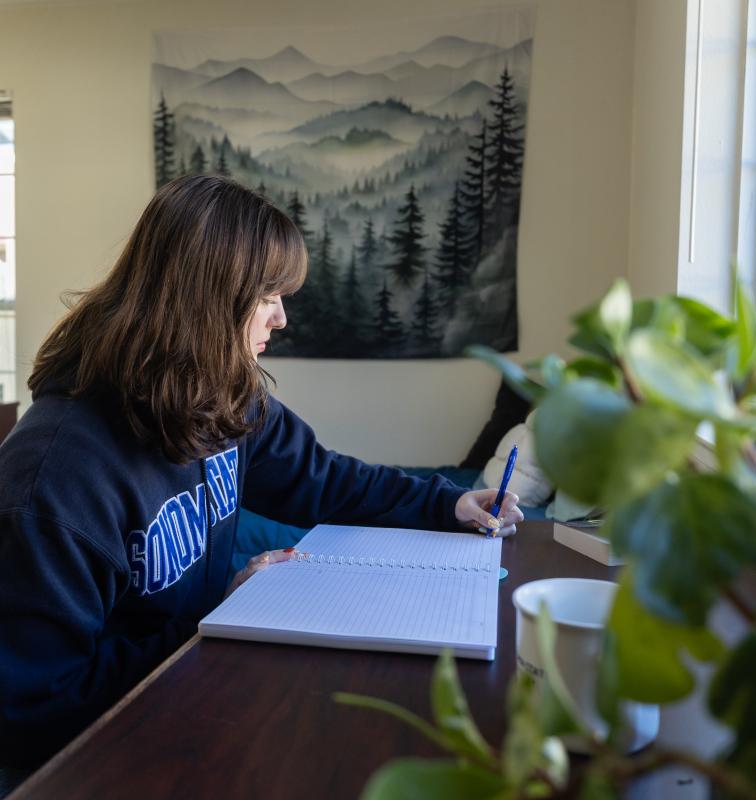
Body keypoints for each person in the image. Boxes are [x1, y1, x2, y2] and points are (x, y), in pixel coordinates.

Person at [0, 175, 523, 769]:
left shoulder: (216, 398)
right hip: (109, 759)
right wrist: (218, 617)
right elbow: (29, 713)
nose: (280, 319)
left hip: (196, 699)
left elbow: (323, 479)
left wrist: (447, 503)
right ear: (206, 300)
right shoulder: (52, 482)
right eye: (268, 295)